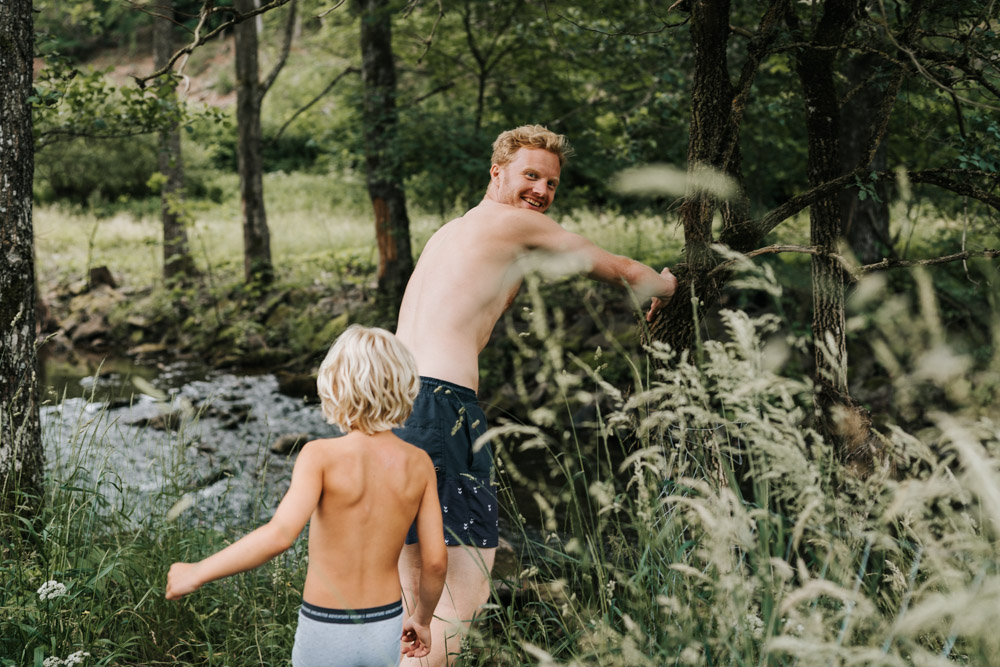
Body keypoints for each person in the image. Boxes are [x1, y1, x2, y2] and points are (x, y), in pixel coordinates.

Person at [393, 124, 678, 665]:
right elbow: (617, 269)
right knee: (463, 588)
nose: (542, 192)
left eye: (551, 184)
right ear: (496, 171)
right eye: (531, 175)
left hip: (396, 406)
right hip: (441, 404)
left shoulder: (450, 232)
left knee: (412, 597)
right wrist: (670, 283)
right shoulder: (514, 223)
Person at [166, 325, 448, 667]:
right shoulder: (419, 464)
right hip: (383, 623)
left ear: (335, 387)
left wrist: (197, 571)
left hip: (326, 624)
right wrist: (422, 618)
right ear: (405, 388)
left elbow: (280, 535)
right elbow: (434, 560)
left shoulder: (319, 456)